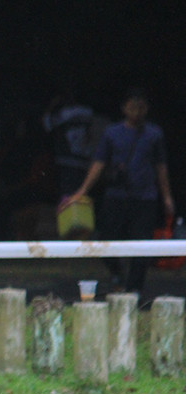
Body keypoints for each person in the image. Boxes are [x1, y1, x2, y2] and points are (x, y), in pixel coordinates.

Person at [64, 88, 174, 293]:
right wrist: (83, 191)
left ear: (147, 109)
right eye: (133, 107)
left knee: (143, 244)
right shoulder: (112, 133)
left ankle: (134, 289)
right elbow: (99, 163)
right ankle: (116, 272)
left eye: (141, 107)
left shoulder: (154, 134)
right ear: (124, 108)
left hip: (145, 196)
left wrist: (166, 196)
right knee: (105, 238)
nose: (137, 112)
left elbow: (161, 166)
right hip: (116, 194)